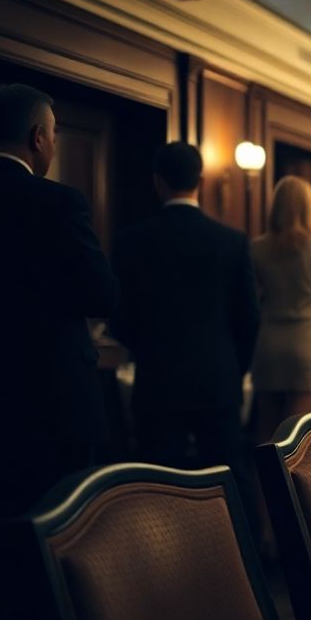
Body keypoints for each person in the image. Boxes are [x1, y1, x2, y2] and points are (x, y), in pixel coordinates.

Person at [0, 83, 116, 522]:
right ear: (38, 138)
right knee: (55, 530)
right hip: (52, 400)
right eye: (54, 132)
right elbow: (101, 295)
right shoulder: (58, 203)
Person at [111, 142, 260, 478]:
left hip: (158, 381)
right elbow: (249, 317)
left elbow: (119, 317)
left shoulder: (132, 241)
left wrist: (148, 350)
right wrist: (234, 368)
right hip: (217, 381)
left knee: (159, 485)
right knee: (228, 481)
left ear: (158, 182)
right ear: (200, 181)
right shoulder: (231, 241)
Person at [250, 177, 311, 446]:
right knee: (297, 437)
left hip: (270, 340)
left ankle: (262, 489)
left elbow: (252, 297)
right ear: (309, 207)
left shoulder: (256, 247)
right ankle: (294, 490)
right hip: (308, 340)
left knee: (266, 434)